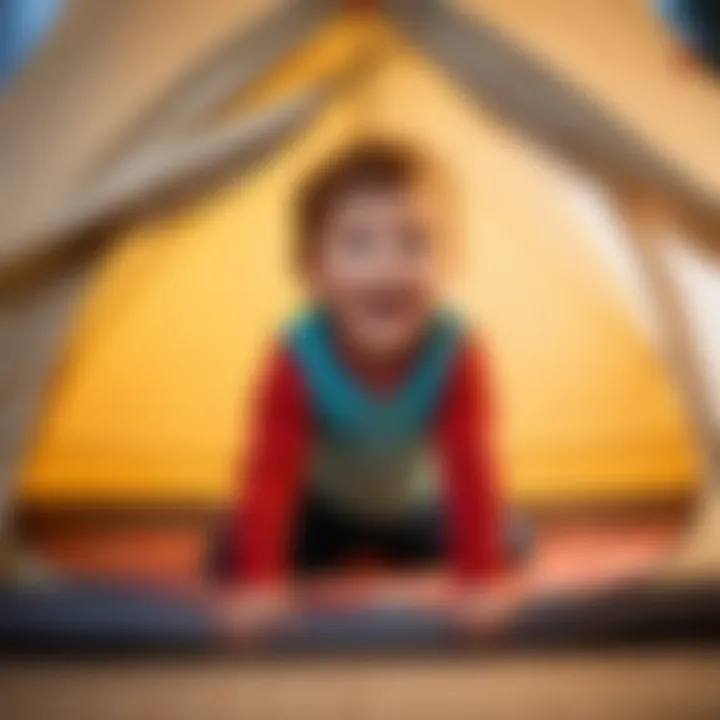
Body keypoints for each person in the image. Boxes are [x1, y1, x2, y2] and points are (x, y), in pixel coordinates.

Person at [223, 140, 510, 628]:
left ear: (450, 263)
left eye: (415, 242)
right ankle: (310, 561)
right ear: (313, 271)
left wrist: (480, 583)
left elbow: (471, 464)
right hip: (324, 509)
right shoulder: (296, 355)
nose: (388, 266)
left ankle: (414, 557)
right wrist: (260, 586)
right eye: (358, 245)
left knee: (504, 545)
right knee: (235, 552)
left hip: (416, 509)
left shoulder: (457, 351)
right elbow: (271, 473)